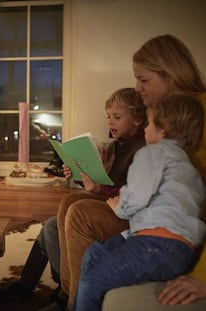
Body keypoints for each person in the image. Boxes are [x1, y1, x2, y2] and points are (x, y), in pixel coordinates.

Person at [53, 34, 206, 311]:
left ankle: (76, 300)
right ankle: (68, 295)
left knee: (80, 213)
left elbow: (139, 190)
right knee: (69, 203)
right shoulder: (154, 130)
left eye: (144, 80)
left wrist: (203, 276)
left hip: (167, 226)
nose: (137, 88)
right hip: (160, 214)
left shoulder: (167, 135)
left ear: (171, 74)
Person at [0, 87, 147, 302]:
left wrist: (99, 189)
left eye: (117, 117)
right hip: (107, 202)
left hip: (125, 212)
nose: (110, 122)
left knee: (54, 224)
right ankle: (40, 286)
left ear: (137, 119)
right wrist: (78, 175)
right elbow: (100, 182)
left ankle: (63, 292)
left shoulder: (143, 150)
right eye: (108, 116)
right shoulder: (114, 147)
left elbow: (130, 193)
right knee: (56, 218)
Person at [72, 95, 205, 311]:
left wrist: (119, 207)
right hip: (180, 250)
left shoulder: (153, 152)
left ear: (164, 128)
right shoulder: (189, 167)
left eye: (150, 123)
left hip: (156, 246)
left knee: (91, 282)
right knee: (94, 253)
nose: (146, 128)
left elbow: (137, 195)